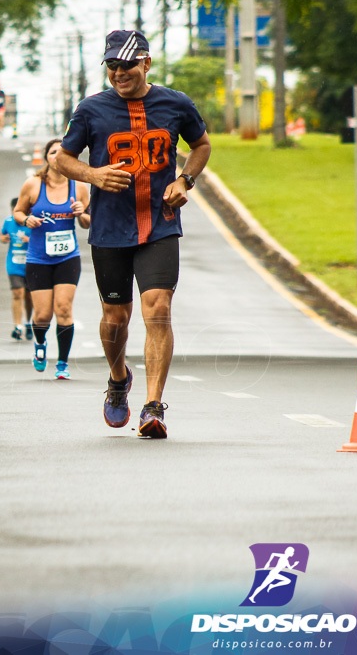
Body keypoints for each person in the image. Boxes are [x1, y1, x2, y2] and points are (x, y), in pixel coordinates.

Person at [52, 30, 211, 438]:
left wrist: (185, 180)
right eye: (112, 66)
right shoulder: (91, 110)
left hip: (160, 224)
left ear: (146, 64)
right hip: (109, 229)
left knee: (158, 309)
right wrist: (93, 175)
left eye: (127, 65)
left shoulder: (176, 103)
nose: (119, 73)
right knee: (114, 318)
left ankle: (153, 406)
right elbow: (65, 159)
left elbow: (201, 145)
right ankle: (119, 379)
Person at [13, 139, 90, 380]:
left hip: (68, 257)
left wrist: (81, 214)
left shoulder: (79, 187)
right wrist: (26, 220)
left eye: (62, 152)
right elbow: (17, 212)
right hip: (39, 259)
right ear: (47, 157)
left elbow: (88, 222)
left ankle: (63, 362)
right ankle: (39, 342)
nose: (57, 156)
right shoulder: (33, 185)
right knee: (43, 314)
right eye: (53, 152)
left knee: (64, 309)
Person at [0, 198, 33, 341]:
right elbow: (2, 235)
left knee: (28, 295)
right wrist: (3, 238)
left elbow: (43, 240)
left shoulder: (32, 222)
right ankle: (17, 326)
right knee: (17, 293)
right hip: (14, 264)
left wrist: (29, 240)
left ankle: (28, 322)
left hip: (31, 263)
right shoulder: (8, 222)